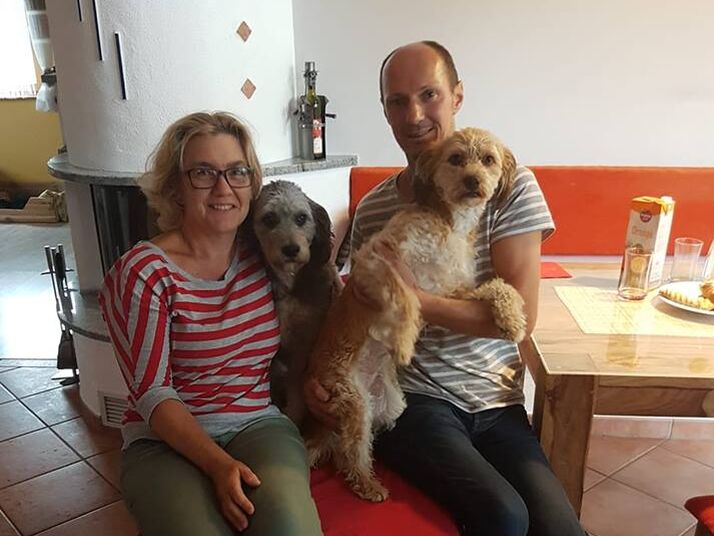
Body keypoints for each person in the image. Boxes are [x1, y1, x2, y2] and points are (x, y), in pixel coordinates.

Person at [306, 41, 586, 536]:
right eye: (398, 102)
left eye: (428, 95)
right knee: (505, 514)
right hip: (411, 399)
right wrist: (318, 372)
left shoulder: (510, 186)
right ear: (385, 112)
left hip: (496, 399)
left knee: (559, 529)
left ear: (456, 96)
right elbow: (356, 305)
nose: (414, 115)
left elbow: (517, 319)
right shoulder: (374, 208)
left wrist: (417, 300)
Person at [98, 112, 323, 536]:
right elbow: (151, 392)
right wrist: (219, 465)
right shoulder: (145, 272)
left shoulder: (262, 250)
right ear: (176, 186)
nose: (223, 188)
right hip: (164, 441)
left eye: (237, 172)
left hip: (258, 424)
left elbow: (322, 292)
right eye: (203, 173)